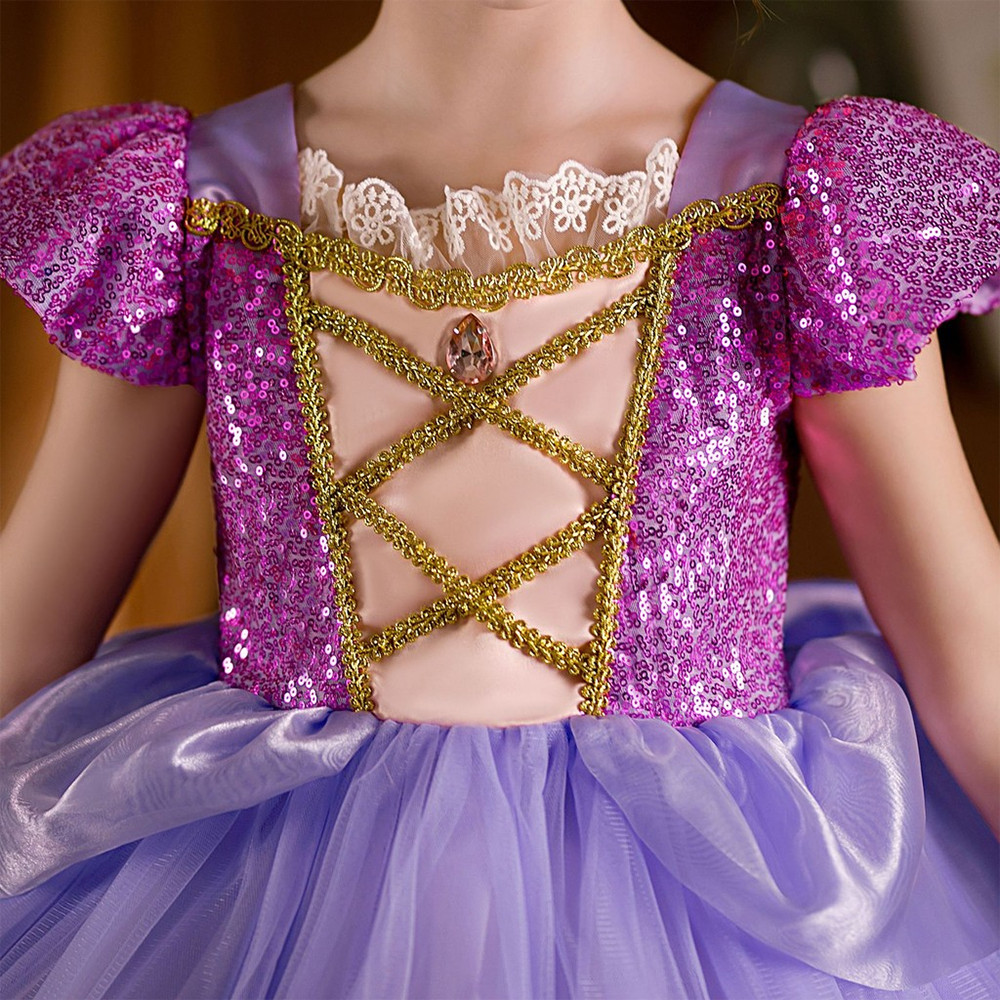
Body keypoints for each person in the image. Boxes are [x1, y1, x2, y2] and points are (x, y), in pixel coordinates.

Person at [1, 0, 998, 996]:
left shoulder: (809, 210)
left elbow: (969, 656)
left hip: (695, 898)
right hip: (275, 895)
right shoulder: (185, 209)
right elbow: (29, 632)